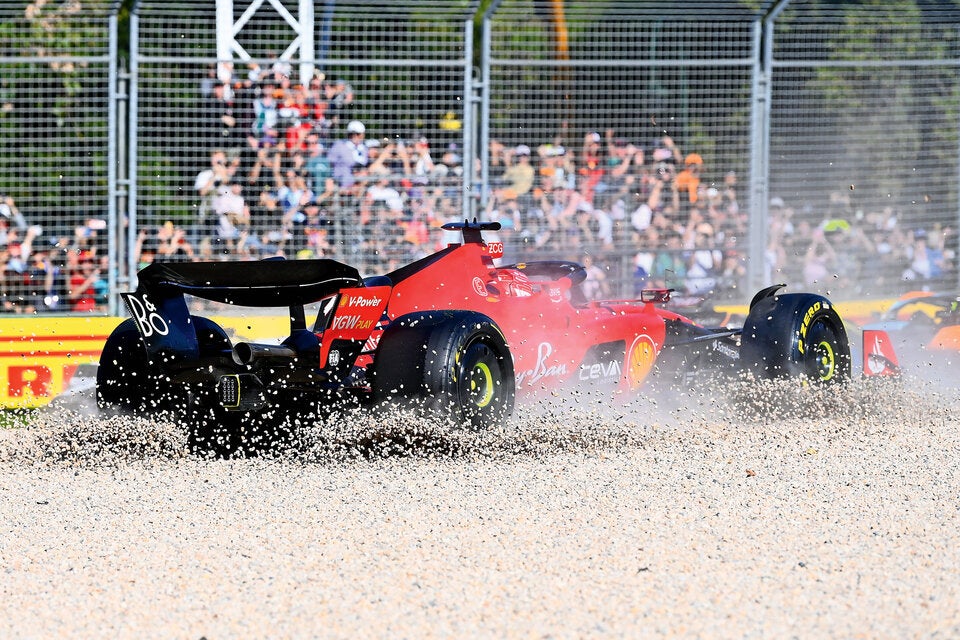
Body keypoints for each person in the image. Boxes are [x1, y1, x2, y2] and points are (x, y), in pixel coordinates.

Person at [328, 120, 369, 188]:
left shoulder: (364, 148)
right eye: (352, 134)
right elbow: (330, 163)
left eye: (358, 134)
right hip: (341, 184)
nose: (355, 136)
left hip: (359, 186)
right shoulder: (339, 145)